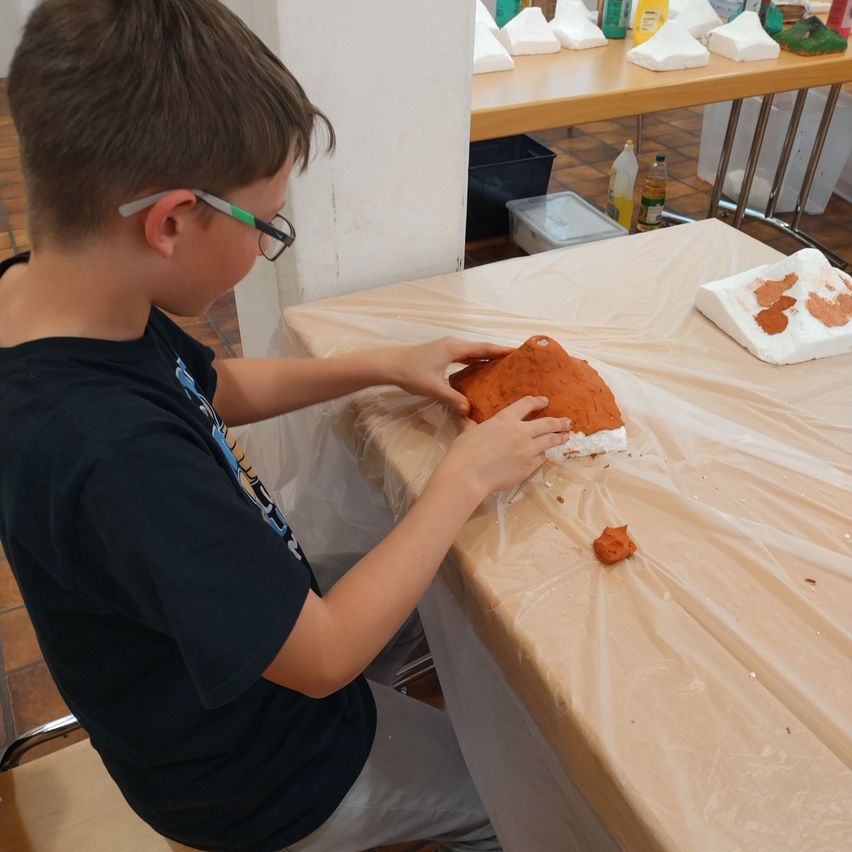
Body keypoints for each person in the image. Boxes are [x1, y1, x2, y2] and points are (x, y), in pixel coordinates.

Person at [0, 2, 570, 850]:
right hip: (252, 772)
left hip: (230, 659)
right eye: (266, 224)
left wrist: (380, 363)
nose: (268, 242)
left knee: (448, 594)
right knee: (520, 796)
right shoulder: (114, 454)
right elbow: (326, 657)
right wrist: (463, 478)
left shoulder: (58, 295)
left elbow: (212, 385)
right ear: (170, 223)